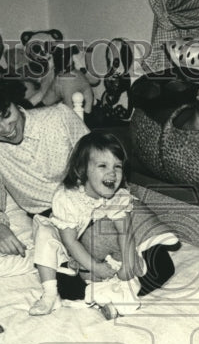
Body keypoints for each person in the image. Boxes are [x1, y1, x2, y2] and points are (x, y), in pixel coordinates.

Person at [0, 77, 175, 312]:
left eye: (6, 115)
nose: (6, 129)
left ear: (14, 102)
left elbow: (100, 159)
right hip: (62, 219)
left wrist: (115, 202)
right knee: (67, 285)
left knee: (161, 265)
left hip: (100, 197)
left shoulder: (58, 117)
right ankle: (112, 292)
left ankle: (113, 293)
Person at [31, 132, 146, 316]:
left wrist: (127, 263)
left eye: (118, 166)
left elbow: (125, 231)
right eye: (103, 165)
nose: (112, 173)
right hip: (66, 244)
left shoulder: (117, 196)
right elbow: (70, 242)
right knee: (44, 234)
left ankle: (109, 297)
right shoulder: (68, 198)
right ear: (81, 170)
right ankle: (49, 294)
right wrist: (95, 267)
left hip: (92, 247)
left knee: (136, 271)